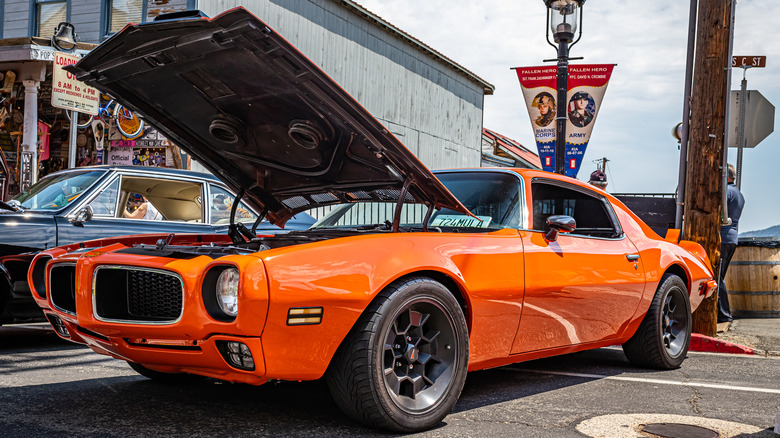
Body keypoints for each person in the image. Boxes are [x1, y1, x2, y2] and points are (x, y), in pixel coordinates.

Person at [718, 163, 745, 324]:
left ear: (725, 176)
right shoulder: (738, 194)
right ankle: (723, 313)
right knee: (720, 276)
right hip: (732, 237)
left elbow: (717, 211)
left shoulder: (726, 192)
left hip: (723, 236)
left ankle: (724, 314)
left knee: (717, 276)